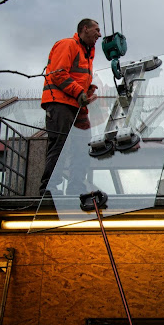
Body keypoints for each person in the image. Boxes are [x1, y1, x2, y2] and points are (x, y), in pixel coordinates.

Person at [39, 19, 101, 196]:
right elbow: (58, 74)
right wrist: (80, 93)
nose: (99, 34)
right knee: (60, 144)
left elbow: (74, 78)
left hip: (76, 105)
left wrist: (87, 91)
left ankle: (76, 186)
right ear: (85, 29)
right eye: (96, 30)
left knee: (82, 145)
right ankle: (48, 188)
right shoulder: (68, 45)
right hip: (60, 103)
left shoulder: (86, 53)